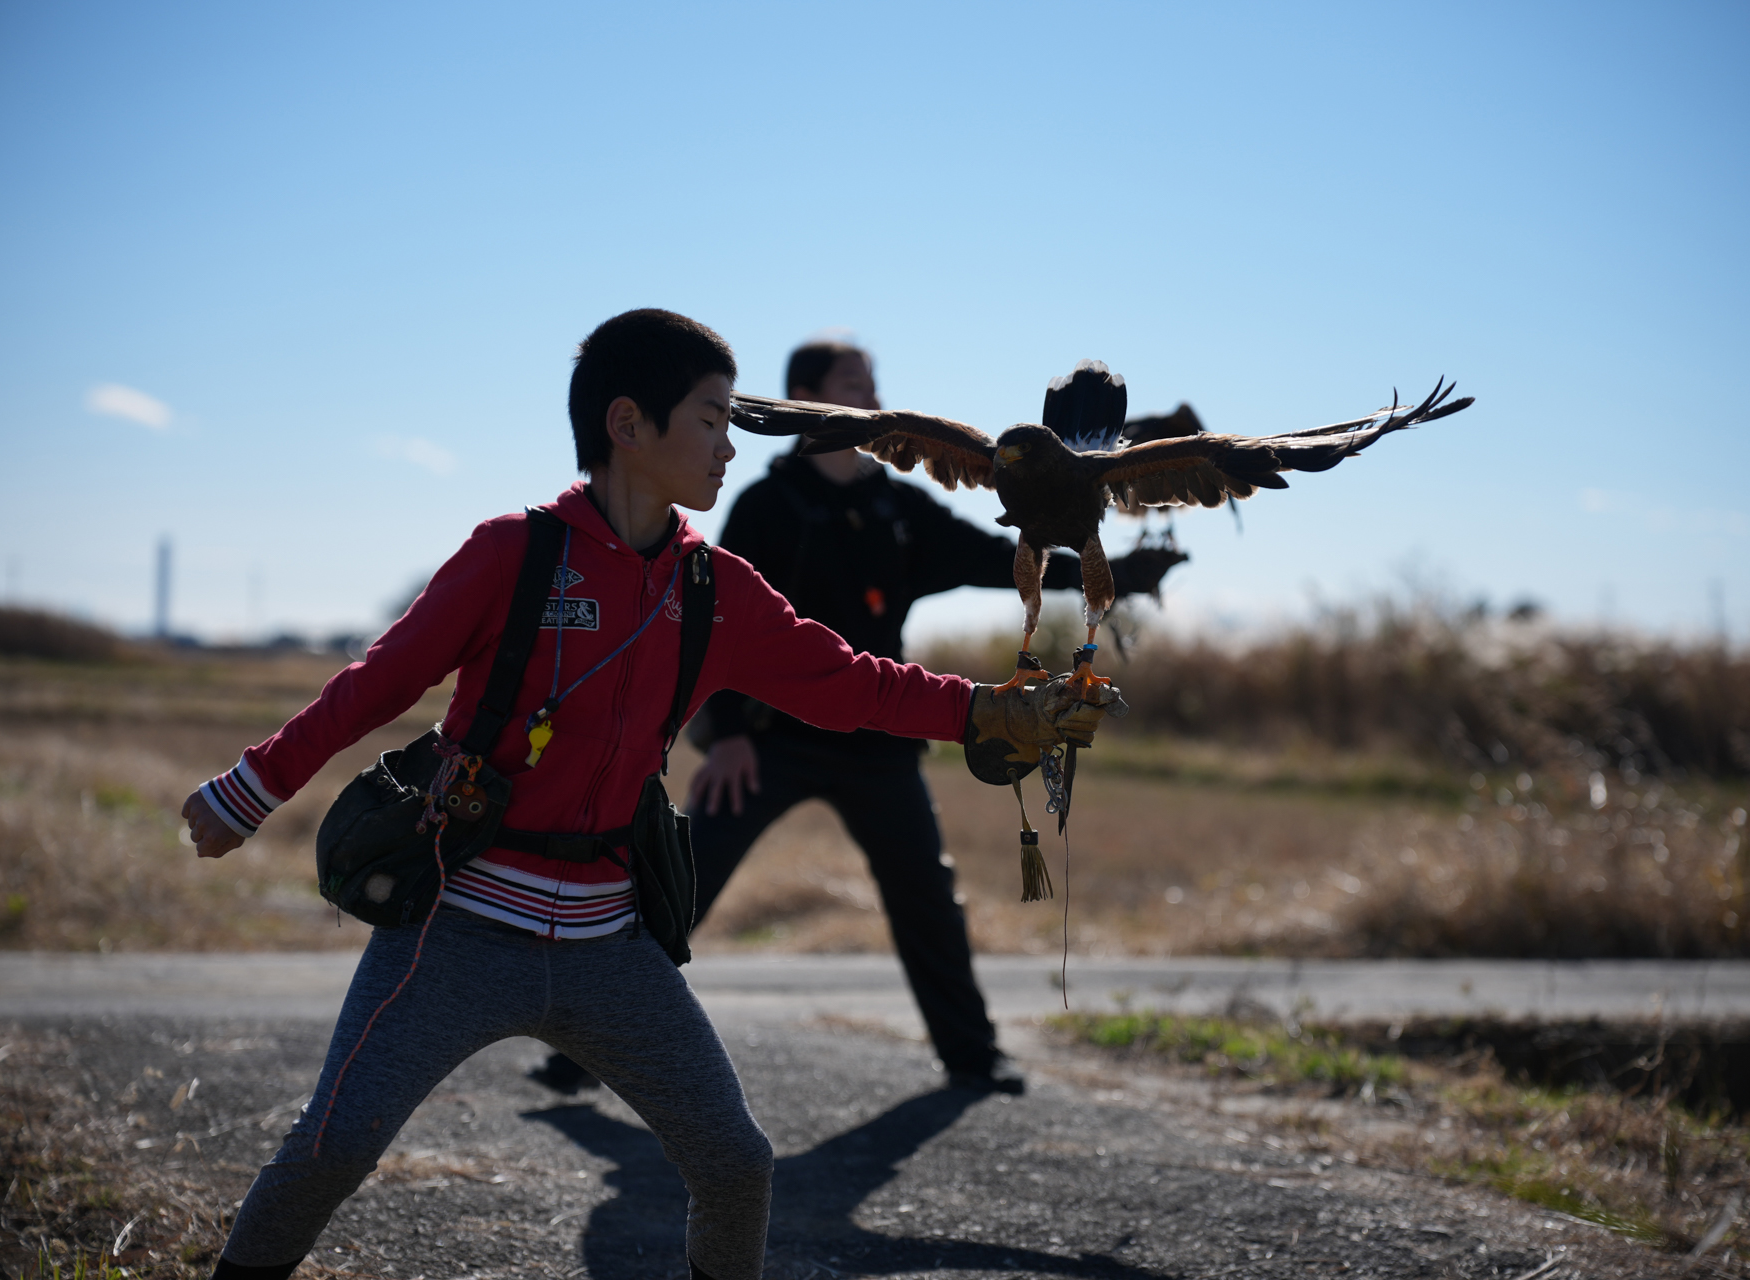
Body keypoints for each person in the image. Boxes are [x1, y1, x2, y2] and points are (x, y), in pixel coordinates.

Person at [179, 310, 1116, 1280]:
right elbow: (376, 683)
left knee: (736, 1161)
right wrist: (249, 790)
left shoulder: (717, 587)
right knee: (331, 1146)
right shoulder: (514, 553)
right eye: (711, 418)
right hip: (451, 927)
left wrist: (990, 711)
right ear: (628, 424)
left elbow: (850, 680)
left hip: (609, 947)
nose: (729, 442)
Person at [526, 339, 1179, 1101]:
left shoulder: (895, 505)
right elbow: (710, 624)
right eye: (852, 387)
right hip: (769, 745)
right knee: (677, 892)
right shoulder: (769, 505)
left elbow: (999, 557)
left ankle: (974, 1059)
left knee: (925, 899)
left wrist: (1119, 575)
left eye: (874, 387)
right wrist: (727, 735)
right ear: (808, 398)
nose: (871, 403)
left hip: (879, 740)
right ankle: (578, 1052)